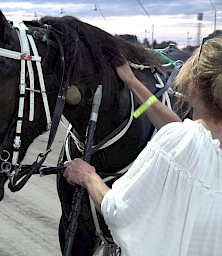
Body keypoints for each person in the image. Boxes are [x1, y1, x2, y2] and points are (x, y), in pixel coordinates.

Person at [63, 37, 222, 255]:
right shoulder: (196, 144)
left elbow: (120, 212)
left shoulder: (180, 141)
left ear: (192, 86)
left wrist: (88, 176)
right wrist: (133, 82)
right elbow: (184, 135)